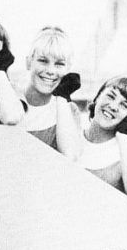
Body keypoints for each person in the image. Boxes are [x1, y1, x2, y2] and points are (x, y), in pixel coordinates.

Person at [74, 75, 127, 199]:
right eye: (110, 96)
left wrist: (123, 139)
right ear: (98, 97)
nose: (113, 106)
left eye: (125, 106)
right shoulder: (72, 133)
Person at [17, 26, 81, 160]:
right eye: (43, 61)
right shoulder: (9, 97)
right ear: (28, 63)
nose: (50, 70)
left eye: (59, 64)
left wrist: (62, 96)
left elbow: (70, 156)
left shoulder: (69, 111)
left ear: (68, 69)